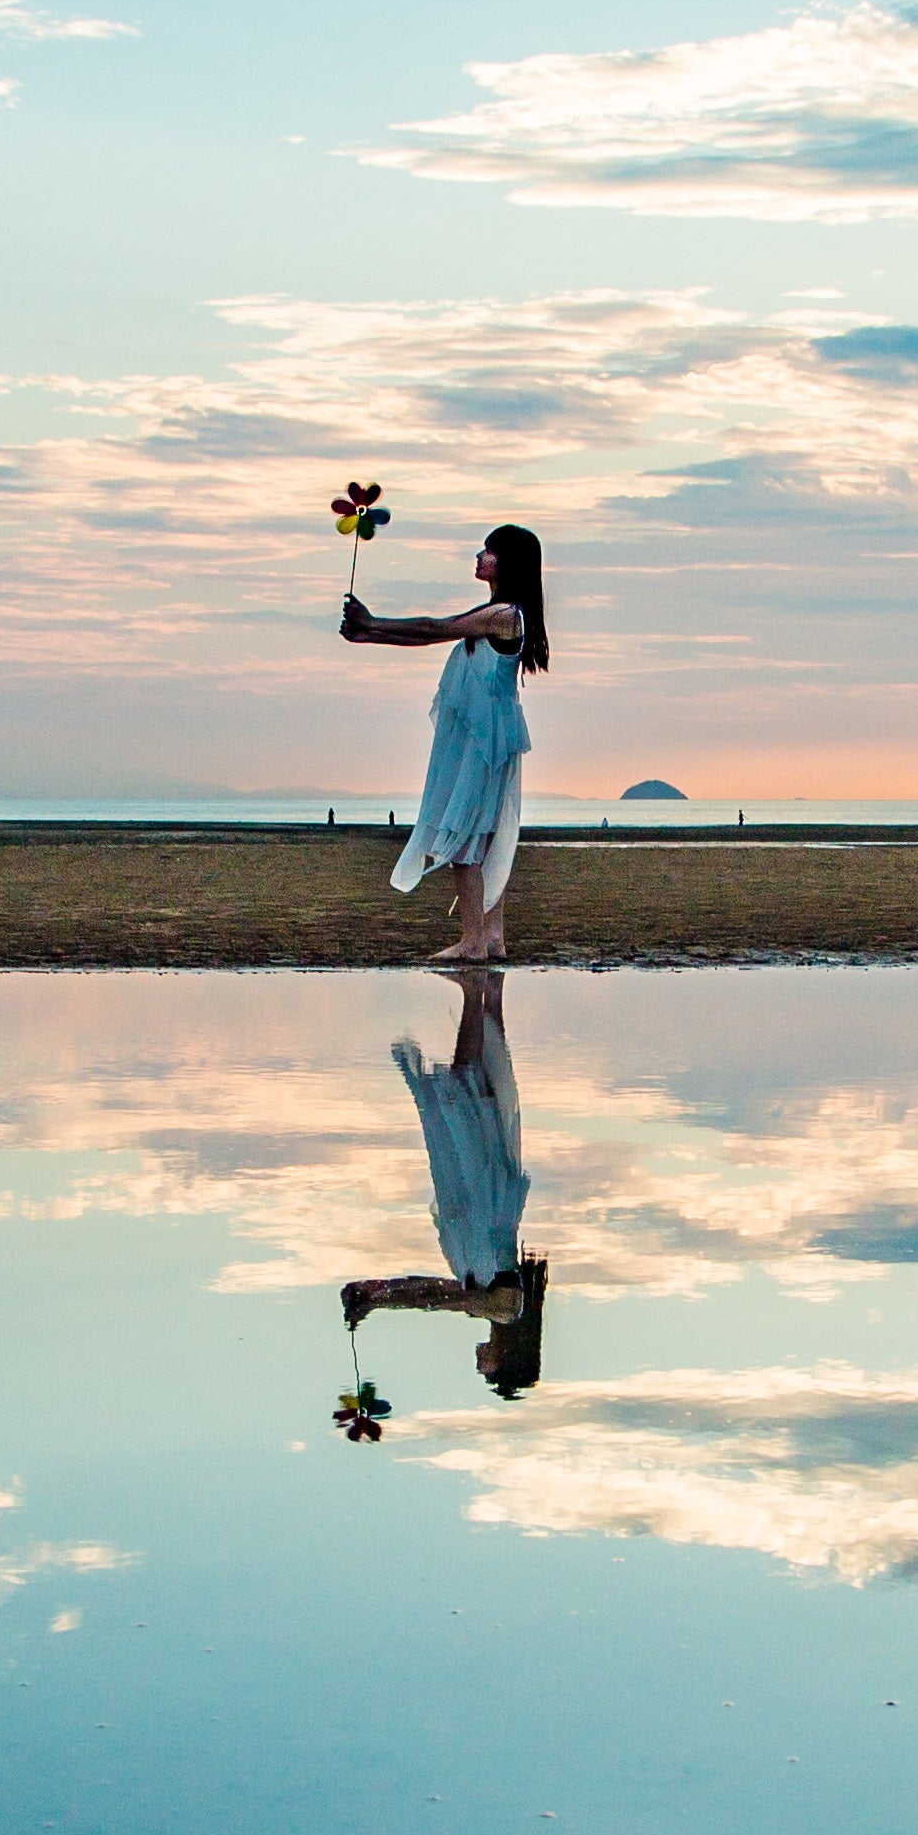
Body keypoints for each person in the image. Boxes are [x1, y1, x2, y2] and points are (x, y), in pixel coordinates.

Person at [341, 522, 548, 967]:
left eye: (488, 551)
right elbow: (428, 633)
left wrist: (371, 622)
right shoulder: (501, 613)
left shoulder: (506, 615)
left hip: (483, 741)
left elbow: (434, 628)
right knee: (480, 836)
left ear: (506, 563)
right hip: (489, 736)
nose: (479, 556)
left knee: (465, 838)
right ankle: (492, 938)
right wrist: (369, 633)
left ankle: (474, 941)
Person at [340, 970, 548, 1402]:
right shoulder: (506, 1309)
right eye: (490, 1371)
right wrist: (378, 1297)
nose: (480, 1366)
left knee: (477, 1085)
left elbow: (434, 1294)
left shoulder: (496, 1307)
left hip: (481, 1194)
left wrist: (377, 1291)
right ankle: (477, 992)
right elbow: (437, 1298)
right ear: (506, 1359)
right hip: (480, 1191)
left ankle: (486, 990)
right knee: (468, 1085)